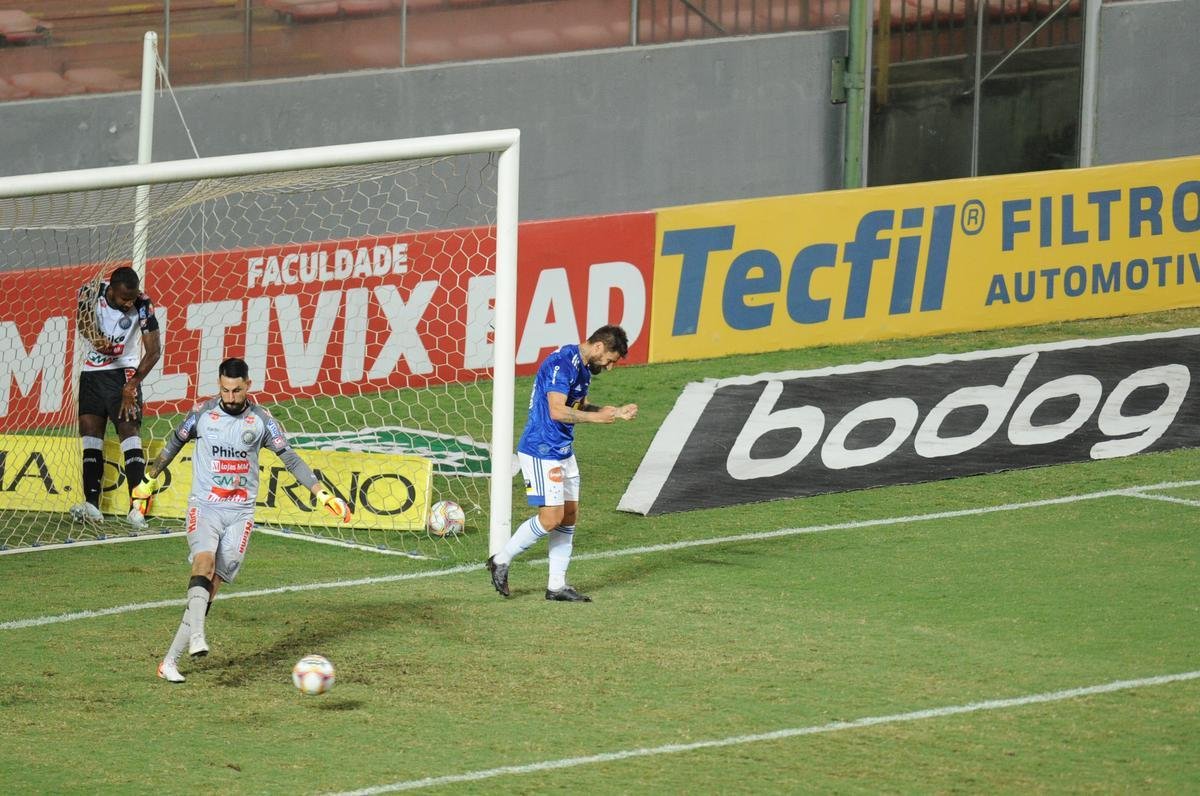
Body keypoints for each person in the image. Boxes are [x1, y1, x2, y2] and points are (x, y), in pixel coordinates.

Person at [131, 357, 352, 683]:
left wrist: (321, 493)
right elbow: (174, 443)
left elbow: (289, 457)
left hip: (240, 514)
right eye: (224, 390)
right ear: (218, 386)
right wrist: (149, 479)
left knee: (213, 586)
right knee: (202, 566)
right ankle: (197, 637)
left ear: (248, 385)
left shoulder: (262, 421)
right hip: (205, 506)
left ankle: (168, 662)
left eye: (236, 390)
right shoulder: (203, 415)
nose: (230, 397)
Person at [486, 325, 637, 602]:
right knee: (551, 519)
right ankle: (501, 559)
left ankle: (556, 586)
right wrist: (596, 419)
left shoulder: (582, 367)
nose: (609, 367)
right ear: (599, 347)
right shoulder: (561, 363)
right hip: (542, 448)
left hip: (563, 450)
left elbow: (579, 406)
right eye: (610, 360)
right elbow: (556, 411)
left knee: (568, 516)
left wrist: (613, 411)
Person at [70, 266, 162, 529]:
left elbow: (154, 351)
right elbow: (83, 323)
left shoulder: (143, 304)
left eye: (132, 298)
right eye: (124, 299)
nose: (129, 303)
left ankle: (137, 509)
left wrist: (132, 385)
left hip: (123, 373)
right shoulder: (90, 292)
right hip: (91, 374)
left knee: (129, 433)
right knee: (90, 437)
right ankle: (91, 505)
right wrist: (97, 340)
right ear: (112, 289)